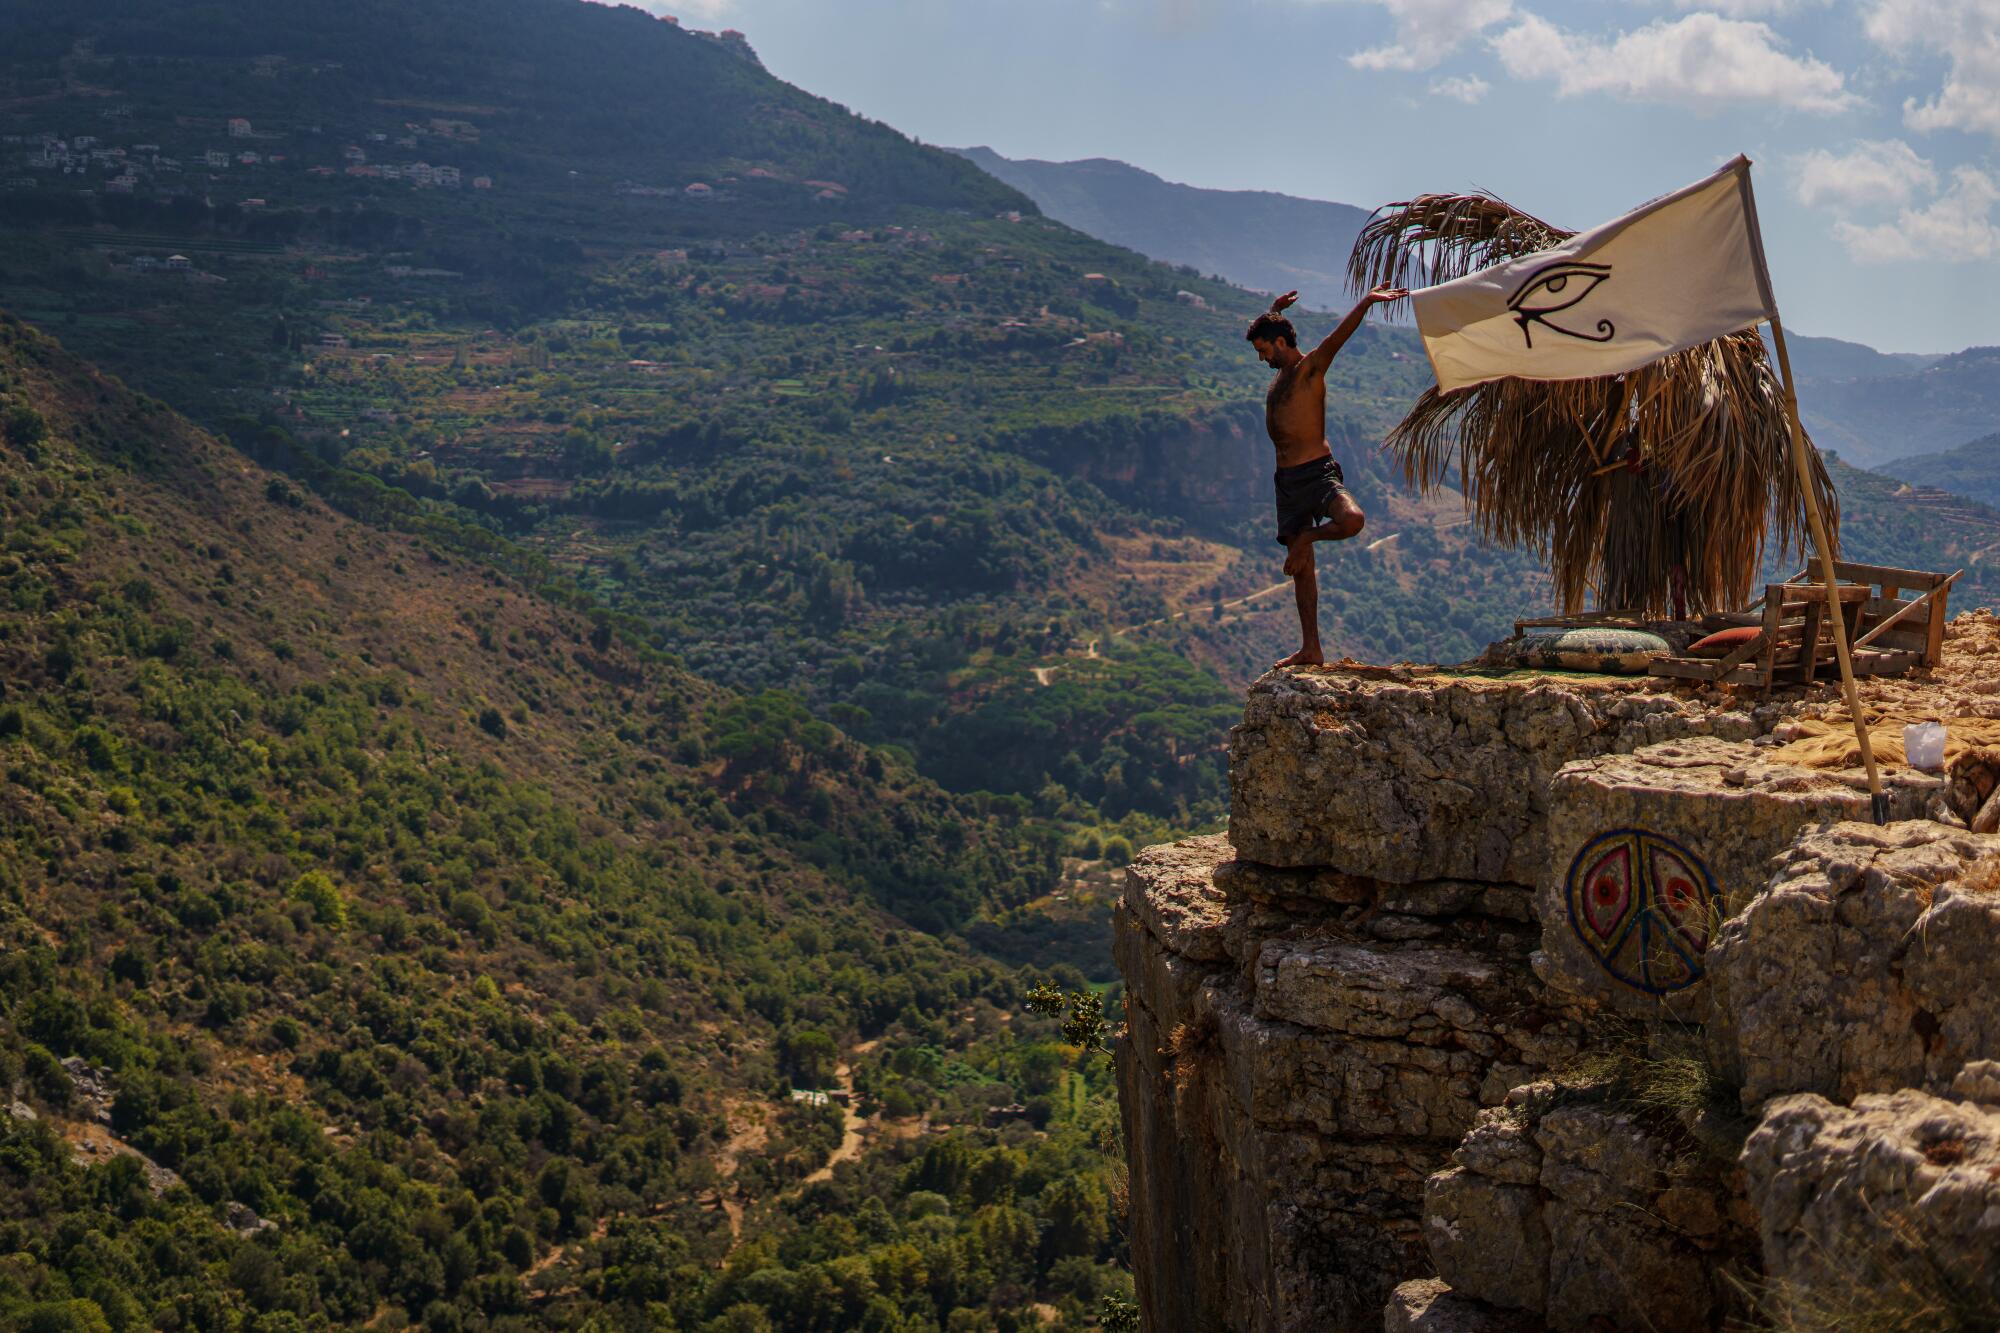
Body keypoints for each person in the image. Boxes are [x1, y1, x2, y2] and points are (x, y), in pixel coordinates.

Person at [1246, 284, 1407, 667]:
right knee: (1302, 570)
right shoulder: (1282, 370)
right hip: (1286, 482)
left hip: (1317, 473)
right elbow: (1270, 329)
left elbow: (1337, 338)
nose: (1261, 359)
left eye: (1263, 351)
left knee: (1352, 520)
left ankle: (1308, 537)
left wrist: (1366, 303)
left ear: (1281, 342)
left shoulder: (1309, 369)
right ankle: (1311, 649)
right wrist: (1272, 309)